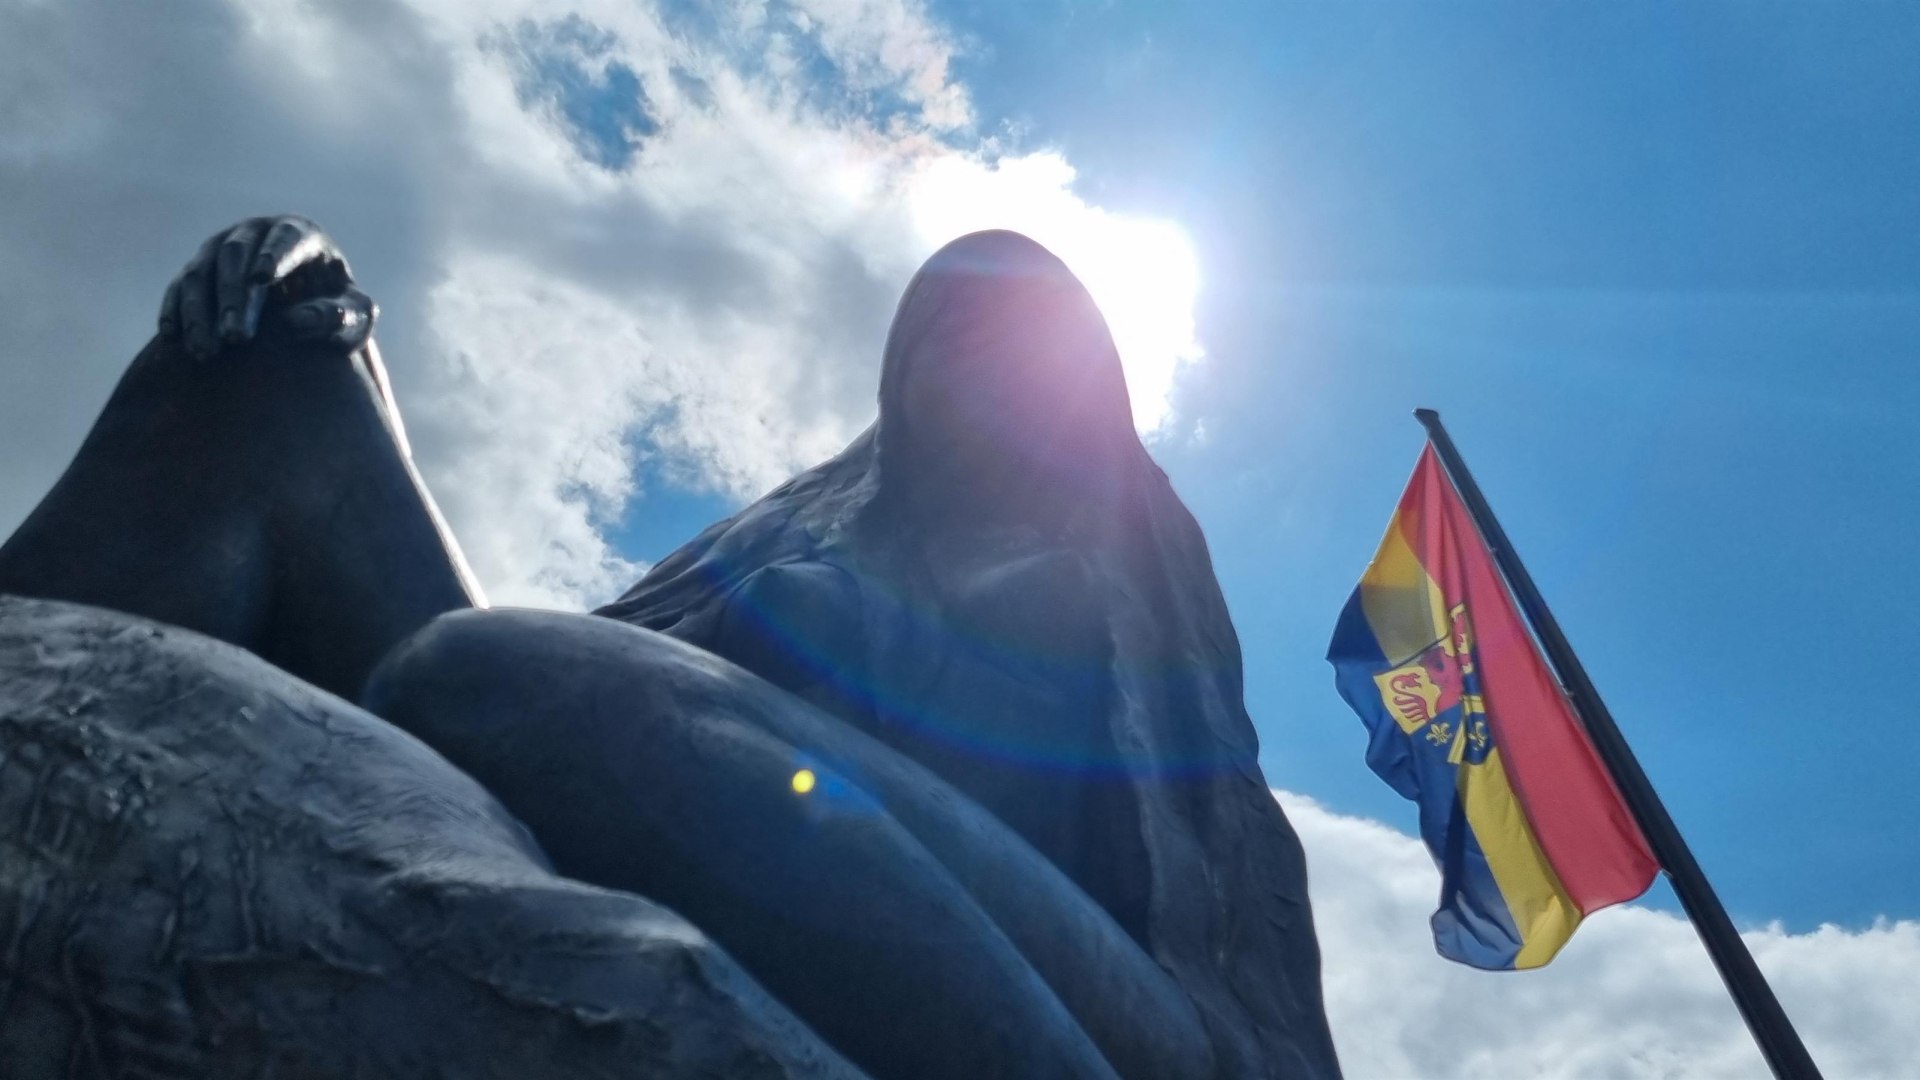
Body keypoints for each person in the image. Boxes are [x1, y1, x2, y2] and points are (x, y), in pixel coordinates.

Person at [0, 217, 1340, 1079]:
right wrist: (301, 266)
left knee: (508, 677)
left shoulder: (1120, 601)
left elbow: (1217, 1029)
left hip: (1063, 1011)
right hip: (620, 777)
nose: (964, 338)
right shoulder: (794, 554)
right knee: (264, 381)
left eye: (1017, 324)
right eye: (939, 319)